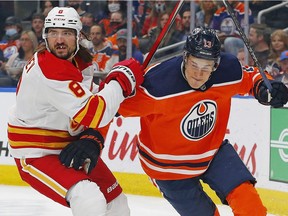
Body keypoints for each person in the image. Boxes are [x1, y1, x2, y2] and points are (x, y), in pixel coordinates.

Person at [114, 27, 288, 215]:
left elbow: (250, 77)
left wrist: (265, 87)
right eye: (194, 65)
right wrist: (118, 85)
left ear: (216, 65)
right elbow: (109, 107)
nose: (198, 74)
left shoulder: (227, 72)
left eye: (206, 67)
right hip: (168, 169)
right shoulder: (156, 86)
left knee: (250, 206)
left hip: (212, 151)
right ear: (185, 57)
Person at [7, 7, 143, 216]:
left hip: (69, 144)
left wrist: (115, 94)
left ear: (78, 36)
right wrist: (121, 80)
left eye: (67, 33)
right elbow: (97, 113)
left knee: (117, 204)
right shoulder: (50, 69)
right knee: (88, 198)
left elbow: (94, 98)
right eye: (53, 33)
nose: (59, 39)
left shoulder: (79, 61)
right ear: (45, 36)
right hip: (36, 152)